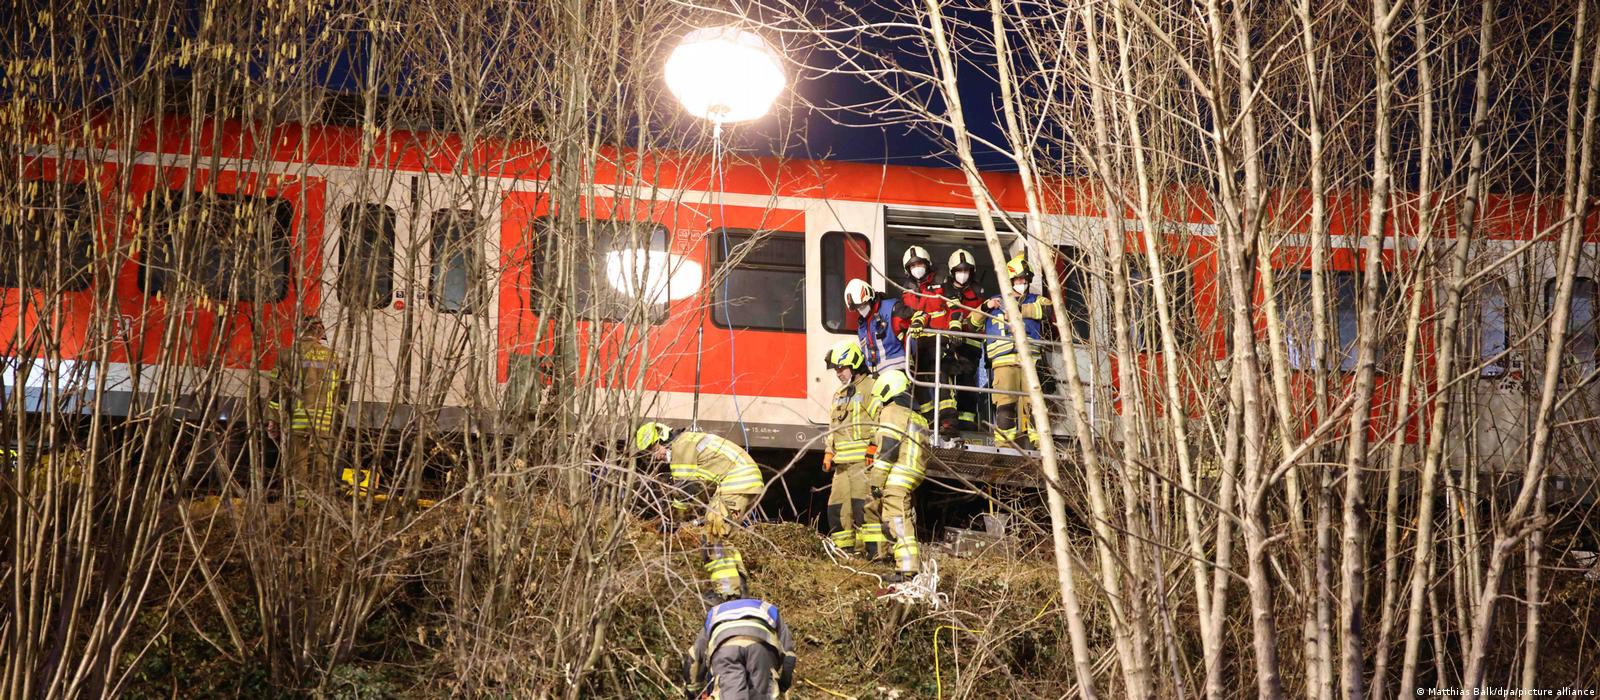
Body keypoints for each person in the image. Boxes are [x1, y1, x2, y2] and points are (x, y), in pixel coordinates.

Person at [637, 422, 764, 598]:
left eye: (652, 448)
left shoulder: (681, 448)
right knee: (722, 538)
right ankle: (739, 590)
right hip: (744, 481)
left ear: (662, 438)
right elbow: (699, 487)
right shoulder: (687, 442)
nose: (653, 456)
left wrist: (672, 521)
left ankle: (727, 593)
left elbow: (686, 490)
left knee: (712, 537)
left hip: (736, 482)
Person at [266, 315, 344, 492]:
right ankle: (316, 511)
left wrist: (273, 420)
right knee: (320, 470)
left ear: (300, 331)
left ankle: (299, 512)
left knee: (298, 470)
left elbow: (276, 392)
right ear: (319, 333)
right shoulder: (333, 357)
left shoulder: (287, 354)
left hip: (298, 423)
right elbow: (339, 392)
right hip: (324, 425)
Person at [866, 369, 929, 583]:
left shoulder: (892, 412)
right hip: (914, 470)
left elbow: (888, 449)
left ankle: (907, 569)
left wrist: (876, 481)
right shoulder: (915, 414)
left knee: (897, 518)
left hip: (899, 472)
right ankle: (905, 563)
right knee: (902, 516)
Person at [982, 255, 1051, 449]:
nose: (1022, 283)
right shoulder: (994, 302)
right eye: (1018, 280)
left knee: (1035, 404)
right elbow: (972, 321)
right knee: (1005, 403)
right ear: (1010, 280)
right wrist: (985, 307)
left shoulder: (1037, 300)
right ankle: (1004, 444)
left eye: (1025, 280)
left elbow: (1047, 311)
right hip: (1003, 362)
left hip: (1030, 361)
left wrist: (1017, 308)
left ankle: (1041, 443)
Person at [821, 339, 880, 557]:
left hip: (862, 463)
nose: (838, 374)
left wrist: (874, 446)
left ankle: (867, 553)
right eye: (836, 369)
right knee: (836, 508)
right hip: (842, 465)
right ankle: (843, 552)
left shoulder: (871, 388)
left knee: (861, 508)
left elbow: (880, 420)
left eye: (841, 368)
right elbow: (833, 426)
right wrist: (829, 451)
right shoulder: (839, 395)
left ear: (854, 364)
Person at [682, 597, 796, 700]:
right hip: (761, 647)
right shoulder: (768, 608)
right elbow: (789, 655)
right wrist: (783, 685)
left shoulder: (715, 613)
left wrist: (694, 691)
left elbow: (695, 656)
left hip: (725, 649)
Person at [931, 249, 986, 434]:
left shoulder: (978, 294)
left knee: (967, 384)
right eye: (959, 270)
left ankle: (968, 422)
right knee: (944, 380)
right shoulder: (942, 292)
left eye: (966, 270)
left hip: (970, 347)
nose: (963, 274)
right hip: (948, 344)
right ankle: (948, 421)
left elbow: (980, 321)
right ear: (952, 272)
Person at [897, 246, 948, 426]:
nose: (916, 268)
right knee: (917, 380)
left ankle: (947, 420)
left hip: (938, 339)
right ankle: (929, 419)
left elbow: (946, 309)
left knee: (940, 377)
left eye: (919, 264)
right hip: (917, 343)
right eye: (912, 266)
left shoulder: (941, 282)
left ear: (927, 264)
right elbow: (905, 314)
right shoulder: (906, 289)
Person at [844, 278, 914, 377]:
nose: (860, 309)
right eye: (857, 308)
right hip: (876, 378)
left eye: (862, 305)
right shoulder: (862, 326)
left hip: (898, 373)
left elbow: (913, 333)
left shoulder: (892, 309)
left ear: (870, 297)